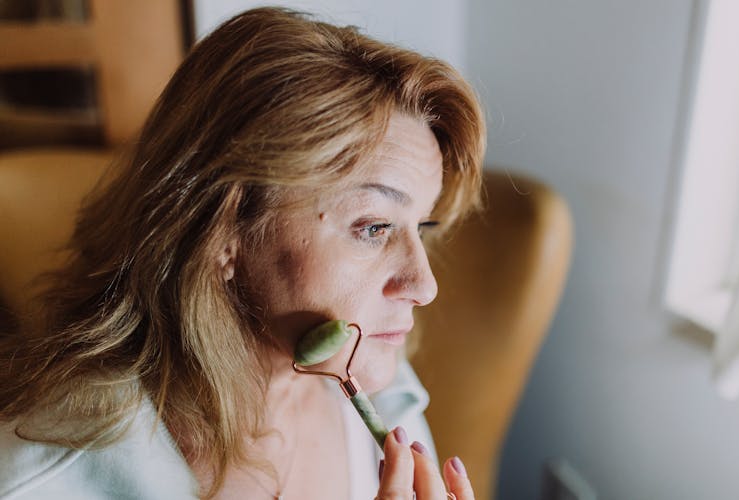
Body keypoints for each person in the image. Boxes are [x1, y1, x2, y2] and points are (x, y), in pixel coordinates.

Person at [0, 7, 485, 499]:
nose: (425, 286)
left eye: (419, 228)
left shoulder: (375, 380)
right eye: (375, 227)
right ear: (223, 230)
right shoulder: (40, 481)